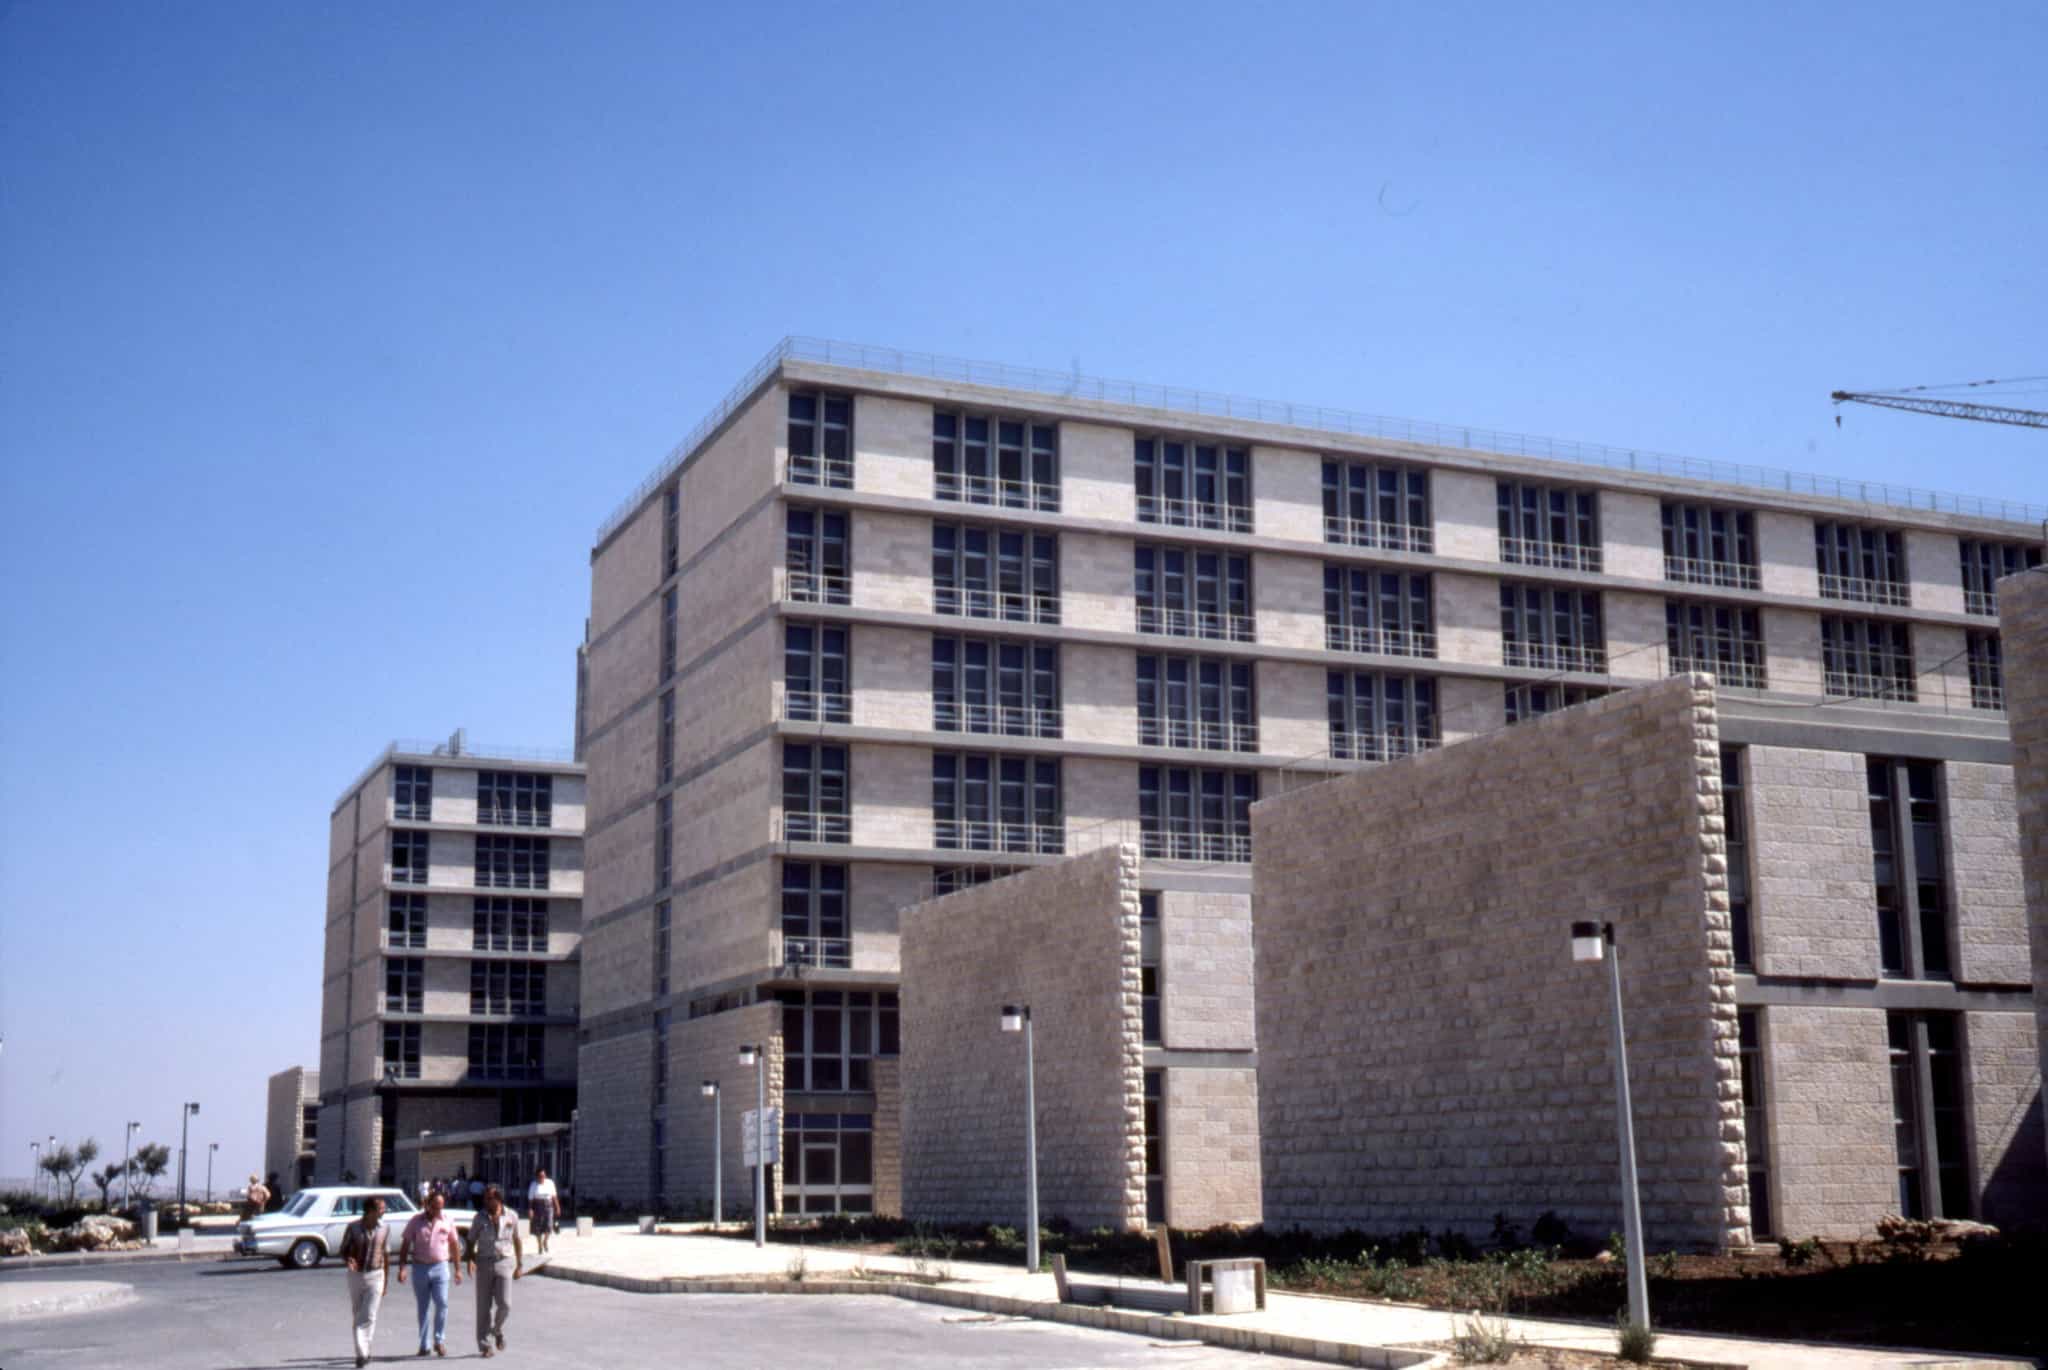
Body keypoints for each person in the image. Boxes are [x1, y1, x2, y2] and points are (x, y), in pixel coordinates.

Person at [395, 1189, 463, 1357]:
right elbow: (405, 1245)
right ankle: (424, 1344)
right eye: (434, 1207)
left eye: (440, 1207)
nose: (438, 1211)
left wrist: (458, 1269)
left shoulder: (447, 1221)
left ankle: (439, 1340)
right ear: (427, 1205)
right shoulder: (416, 1221)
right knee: (423, 1307)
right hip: (420, 1268)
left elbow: (454, 1245)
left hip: (440, 1267)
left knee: (442, 1303)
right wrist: (402, 1268)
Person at [463, 1185, 523, 1358]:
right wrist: (470, 1260)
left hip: (504, 1261)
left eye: (489, 1198)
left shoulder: (512, 1216)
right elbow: (470, 1241)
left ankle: (496, 1329)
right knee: (483, 1307)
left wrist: (520, 1265)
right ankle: (484, 1345)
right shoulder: (479, 1218)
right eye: (485, 1198)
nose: (486, 1201)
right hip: (484, 1263)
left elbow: (517, 1240)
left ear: (499, 1199)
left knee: (505, 1304)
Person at [341, 1194, 391, 1368]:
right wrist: (348, 1259)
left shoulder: (385, 1228)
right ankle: (365, 1350)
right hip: (356, 1276)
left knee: (369, 1315)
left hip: (376, 1275)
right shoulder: (353, 1228)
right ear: (370, 1211)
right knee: (358, 1314)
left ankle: (361, 1354)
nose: (384, 1211)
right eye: (381, 1209)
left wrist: (386, 1281)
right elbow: (343, 1250)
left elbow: (386, 1255)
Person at [525, 1168, 557, 1255]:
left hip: (548, 1205)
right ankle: (539, 1245)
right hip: (537, 1206)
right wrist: (530, 1209)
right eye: (540, 1176)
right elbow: (530, 1199)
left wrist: (557, 1207)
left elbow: (554, 1196)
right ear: (537, 1177)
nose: (542, 1178)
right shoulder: (533, 1185)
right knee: (537, 1226)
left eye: (543, 1176)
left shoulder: (550, 1183)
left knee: (549, 1225)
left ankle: (545, 1241)